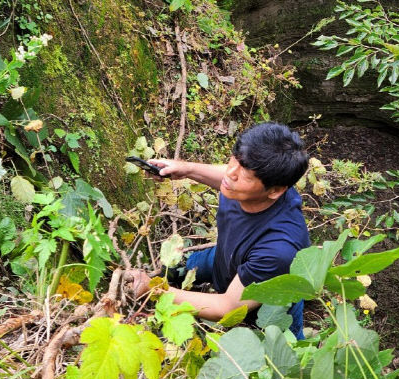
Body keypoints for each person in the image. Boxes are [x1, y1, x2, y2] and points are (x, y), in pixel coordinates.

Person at [126, 122, 310, 338]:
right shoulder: (248, 182)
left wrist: (154, 290)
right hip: (225, 257)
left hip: (266, 309)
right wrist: (186, 169)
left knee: (280, 349)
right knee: (186, 266)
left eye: (244, 175)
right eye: (234, 160)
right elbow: (233, 172)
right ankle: (175, 274)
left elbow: (227, 306)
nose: (230, 174)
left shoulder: (278, 249)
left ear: (275, 191)